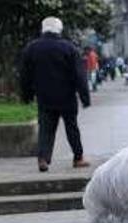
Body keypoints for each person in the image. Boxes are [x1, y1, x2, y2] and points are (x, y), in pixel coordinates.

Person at [20, 17, 90, 173]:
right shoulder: (68, 48)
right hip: (67, 97)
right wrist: (85, 97)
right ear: (59, 29)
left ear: (43, 29)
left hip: (44, 97)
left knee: (46, 128)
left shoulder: (31, 48)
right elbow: (79, 75)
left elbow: (25, 75)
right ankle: (78, 158)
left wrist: (27, 95)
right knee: (72, 127)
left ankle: (43, 158)